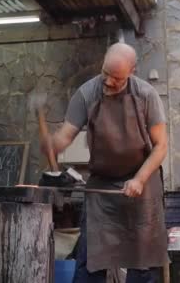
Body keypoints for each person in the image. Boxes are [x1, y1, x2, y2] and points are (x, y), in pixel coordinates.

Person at [41, 42, 169, 283]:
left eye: (117, 78)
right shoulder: (87, 93)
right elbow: (67, 135)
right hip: (102, 186)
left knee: (143, 262)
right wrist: (54, 143)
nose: (108, 82)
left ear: (132, 71)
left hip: (142, 182)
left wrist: (139, 180)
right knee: (91, 259)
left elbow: (161, 146)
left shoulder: (146, 95)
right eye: (105, 73)